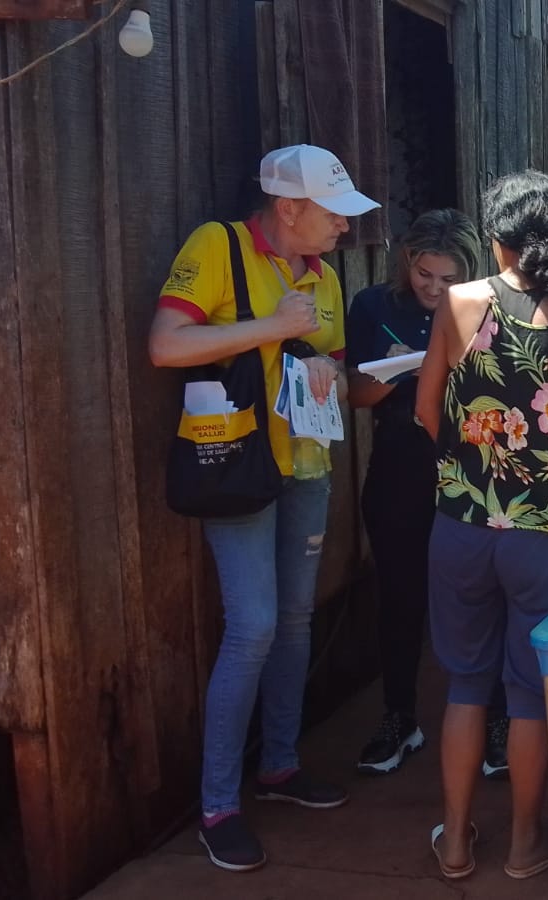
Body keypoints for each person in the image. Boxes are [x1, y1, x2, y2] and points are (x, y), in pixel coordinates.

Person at [148, 144, 379, 873]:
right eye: (333, 215)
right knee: (251, 628)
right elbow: (165, 346)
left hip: (305, 466)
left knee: (294, 620)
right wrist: (274, 329)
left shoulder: (325, 277)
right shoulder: (216, 247)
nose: (344, 229)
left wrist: (331, 377)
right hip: (237, 469)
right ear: (288, 209)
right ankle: (218, 806)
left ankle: (278, 767)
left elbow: (333, 365)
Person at [414, 170, 548, 881]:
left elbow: (425, 411)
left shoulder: (459, 304)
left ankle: (459, 844)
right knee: (530, 689)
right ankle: (527, 846)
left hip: (463, 523)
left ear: (494, 238)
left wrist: (479, 459)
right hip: (546, 530)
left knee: (466, 683)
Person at [345, 210, 511, 777]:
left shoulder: (489, 306)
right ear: (407, 264)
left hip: (471, 469)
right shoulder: (373, 306)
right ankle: (399, 718)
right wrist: (395, 372)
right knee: (399, 599)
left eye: (447, 278)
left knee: (482, 597)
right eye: (424, 275)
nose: (434, 288)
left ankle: (496, 717)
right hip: (398, 468)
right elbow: (356, 395)